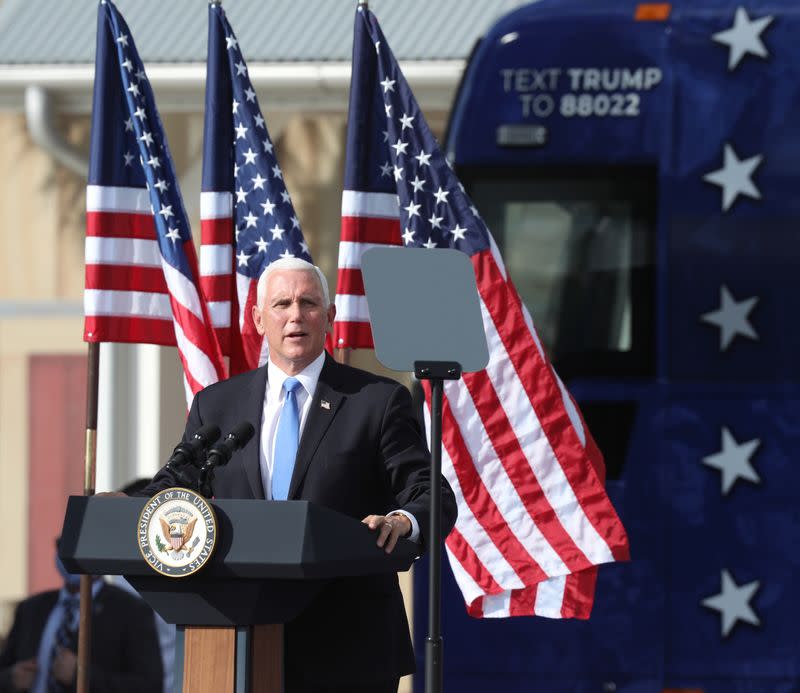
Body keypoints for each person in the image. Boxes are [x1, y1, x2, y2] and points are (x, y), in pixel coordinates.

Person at [138, 257, 457, 693]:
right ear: (257, 319)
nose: (295, 315)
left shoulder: (376, 401)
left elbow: (430, 492)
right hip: (235, 640)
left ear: (329, 318)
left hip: (348, 646)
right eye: (281, 304)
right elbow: (174, 488)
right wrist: (132, 509)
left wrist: (402, 521)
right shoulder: (217, 406)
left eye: (308, 303)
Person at [0, 542, 163, 693]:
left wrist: (82, 675)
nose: (71, 555)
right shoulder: (31, 608)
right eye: (64, 546)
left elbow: (149, 686)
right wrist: (10, 678)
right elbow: (5, 666)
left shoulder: (131, 610)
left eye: (79, 547)